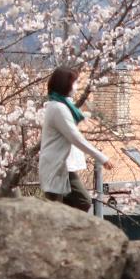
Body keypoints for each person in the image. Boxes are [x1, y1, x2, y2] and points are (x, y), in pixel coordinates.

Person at [39, 66, 108, 213]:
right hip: (56, 166)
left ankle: (67, 232)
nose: (76, 86)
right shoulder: (58, 108)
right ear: (65, 84)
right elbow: (75, 137)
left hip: (63, 166)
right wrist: (101, 158)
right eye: (74, 82)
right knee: (75, 203)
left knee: (72, 204)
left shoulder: (63, 105)